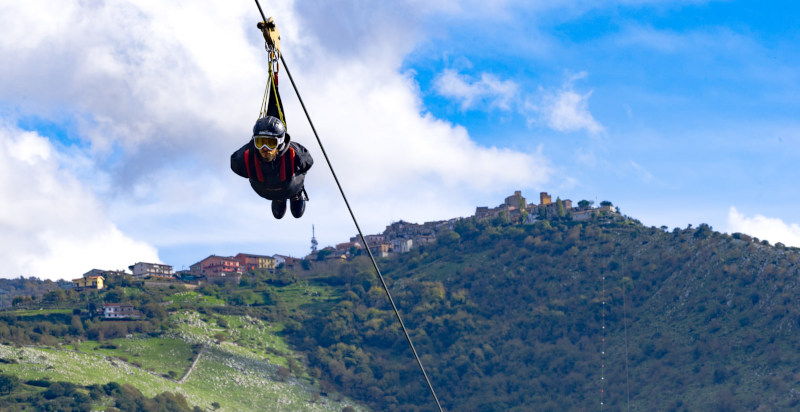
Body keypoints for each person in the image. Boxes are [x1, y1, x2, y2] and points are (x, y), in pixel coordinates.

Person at [230, 116, 313, 219]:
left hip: (290, 187)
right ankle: (279, 198)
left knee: (294, 173)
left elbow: (308, 162)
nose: (265, 149)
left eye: (270, 143)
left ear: (280, 143)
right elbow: (235, 165)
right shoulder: (245, 157)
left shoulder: (295, 154)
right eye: (260, 142)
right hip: (265, 190)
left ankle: (295, 194)